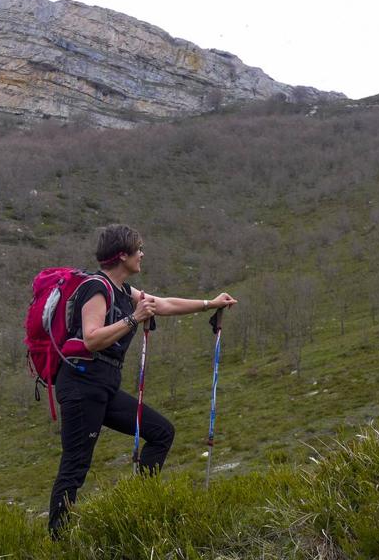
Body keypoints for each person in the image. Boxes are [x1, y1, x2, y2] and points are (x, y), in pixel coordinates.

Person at [47, 224, 238, 537]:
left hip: (104, 387)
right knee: (75, 465)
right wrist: (133, 318)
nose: (142, 255)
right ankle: (57, 540)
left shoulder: (122, 290)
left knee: (161, 432)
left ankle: (138, 507)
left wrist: (210, 303)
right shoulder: (96, 288)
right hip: (82, 386)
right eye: (138, 250)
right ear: (123, 255)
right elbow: (92, 339)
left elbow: (162, 304)